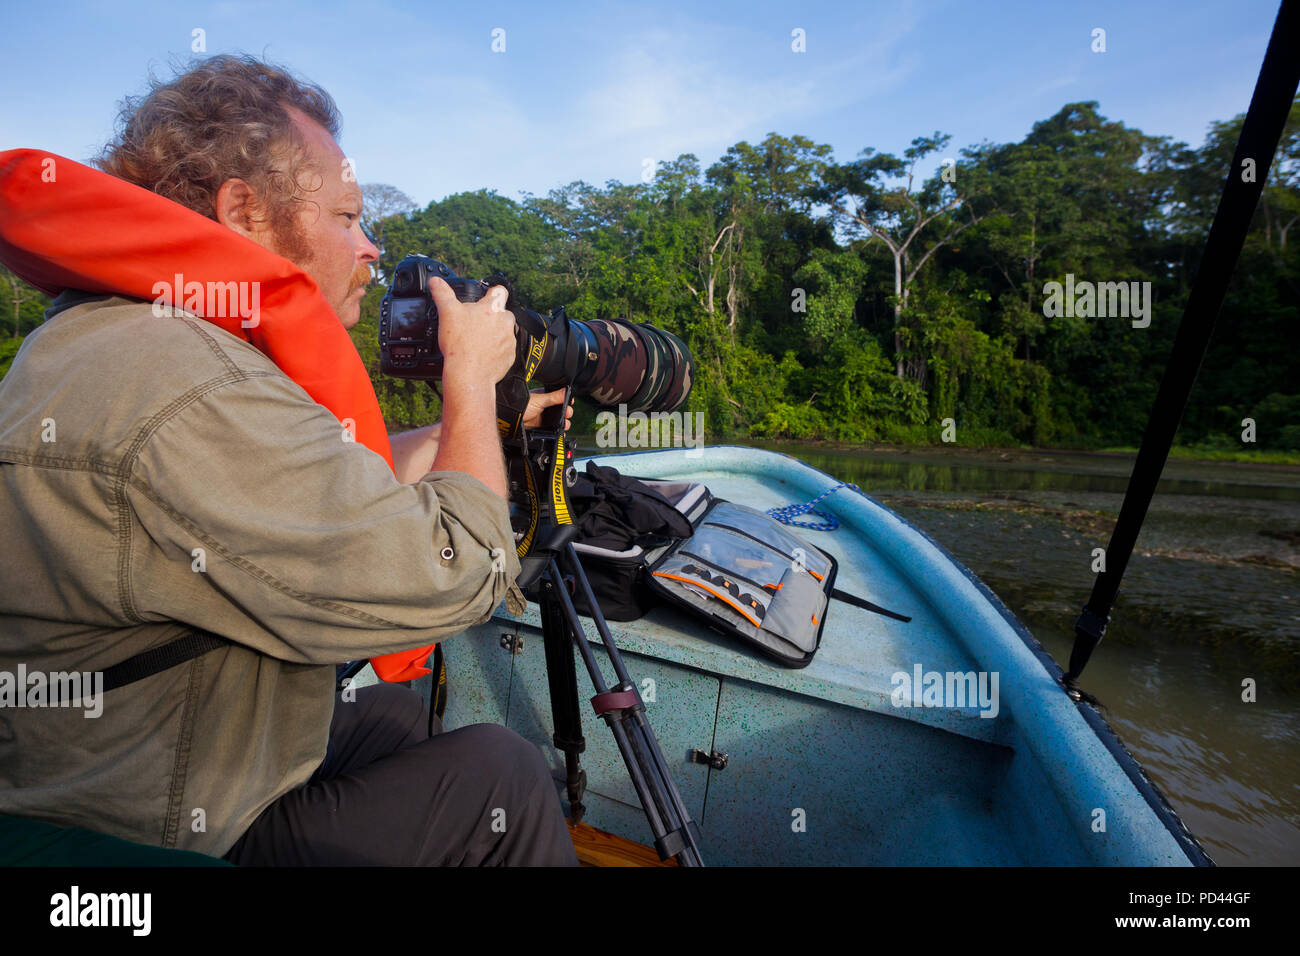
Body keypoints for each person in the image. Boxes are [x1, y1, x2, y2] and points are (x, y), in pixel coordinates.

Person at [0, 54, 578, 866]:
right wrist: (470, 379)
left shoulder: (119, 333)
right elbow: (456, 568)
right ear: (244, 209)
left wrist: (480, 428)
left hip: (157, 746)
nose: (370, 247)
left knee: (399, 721)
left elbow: (326, 474)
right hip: (148, 823)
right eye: (347, 217)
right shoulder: (191, 382)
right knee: (502, 777)